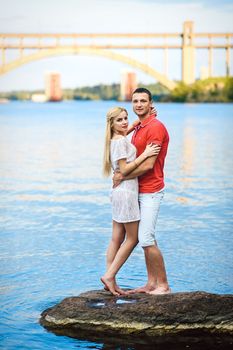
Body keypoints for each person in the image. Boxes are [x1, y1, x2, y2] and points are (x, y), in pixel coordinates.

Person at [113, 88, 171, 295]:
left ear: (150, 103)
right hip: (137, 190)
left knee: (146, 238)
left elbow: (148, 165)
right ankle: (150, 283)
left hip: (151, 190)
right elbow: (119, 134)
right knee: (148, 239)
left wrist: (122, 176)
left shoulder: (155, 128)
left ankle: (163, 285)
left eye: (143, 101)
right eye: (135, 101)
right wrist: (135, 124)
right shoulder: (139, 127)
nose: (138, 104)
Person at [101, 106, 160, 296]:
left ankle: (109, 280)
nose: (125, 122)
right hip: (126, 194)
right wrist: (145, 154)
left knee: (116, 237)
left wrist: (140, 121)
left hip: (118, 192)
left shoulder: (115, 138)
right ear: (112, 123)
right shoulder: (119, 142)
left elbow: (125, 130)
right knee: (133, 238)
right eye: (120, 120)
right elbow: (125, 170)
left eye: (126, 118)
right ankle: (110, 276)